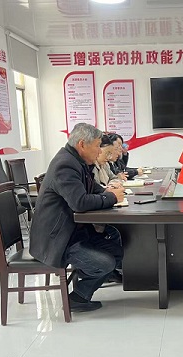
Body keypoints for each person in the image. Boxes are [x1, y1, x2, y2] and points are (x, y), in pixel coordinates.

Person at [29, 123, 125, 312]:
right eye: (97, 146)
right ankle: (78, 297)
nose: (100, 151)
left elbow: (90, 187)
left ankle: (83, 286)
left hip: (74, 232)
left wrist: (107, 191)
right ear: (82, 144)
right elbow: (79, 202)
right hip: (58, 239)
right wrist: (112, 198)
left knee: (117, 250)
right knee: (105, 263)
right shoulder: (65, 165)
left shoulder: (76, 161)